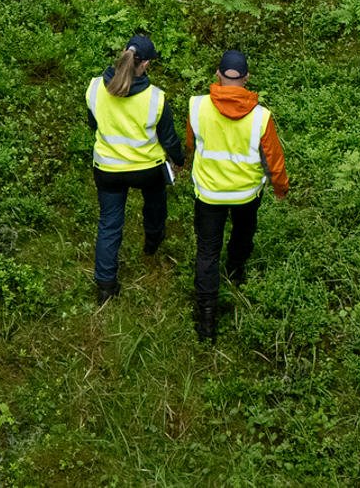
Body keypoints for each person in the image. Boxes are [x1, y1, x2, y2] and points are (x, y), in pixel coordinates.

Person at [186, 47, 289, 341]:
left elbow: (190, 143)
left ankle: (206, 318)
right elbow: (273, 159)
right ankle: (235, 272)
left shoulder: (197, 106)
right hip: (246, 195)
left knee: (207, 251)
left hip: (208, 194)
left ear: (218, 75)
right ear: (246, 78)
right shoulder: (261, 117)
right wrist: (280, 188)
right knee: (243, 234)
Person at [86, 32, 186, 304]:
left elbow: (94, 123)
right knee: (155, 204)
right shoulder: (156, 98)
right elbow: (168, 138)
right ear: (146, 65)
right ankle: (152, 241)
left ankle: (106, 285)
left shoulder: (95, 87)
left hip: (107, 168)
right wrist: (179, 158)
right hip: (147, 169)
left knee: (109, 223)